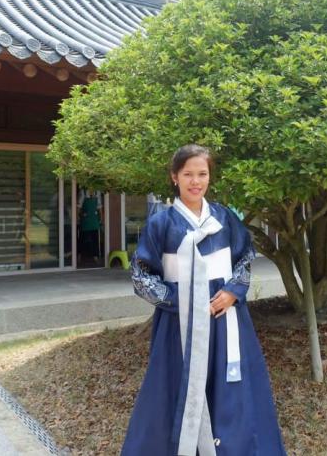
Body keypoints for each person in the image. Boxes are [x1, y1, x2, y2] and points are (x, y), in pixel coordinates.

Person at [121, 144, 286, 456]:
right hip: (179, 324)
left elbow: (244, 258)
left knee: (231, 388)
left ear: (210, 177)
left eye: (202, 174)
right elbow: (141, 275)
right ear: (175, 177)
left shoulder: (224, 218)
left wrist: (233, 291)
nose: (195, 181)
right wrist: (181, 302)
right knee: (175, 386)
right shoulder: (161, 223)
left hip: (225, 319)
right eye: (188, 174)